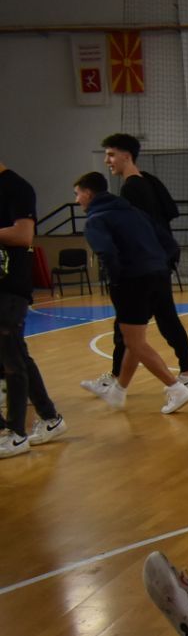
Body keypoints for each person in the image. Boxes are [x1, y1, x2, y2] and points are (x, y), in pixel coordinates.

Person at [84, 133, 188, 398]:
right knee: (165, 319)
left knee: (128, 326)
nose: (107, 160)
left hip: (143, 266)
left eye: (111, 155)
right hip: (159, 260)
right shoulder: (150, 181)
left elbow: (138, 227)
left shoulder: (130, 189)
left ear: (126, 156)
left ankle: (116, 380)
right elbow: (169, 213)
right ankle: (186, 374)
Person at [0, 158, 63, 458]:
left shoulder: (16, 187)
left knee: (12, 359)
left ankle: (15, 433)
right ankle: (50, 418)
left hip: (10, 287)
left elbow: (23, 235)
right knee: (16, 355)